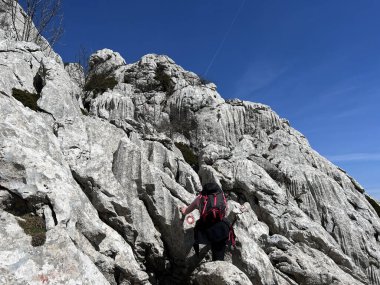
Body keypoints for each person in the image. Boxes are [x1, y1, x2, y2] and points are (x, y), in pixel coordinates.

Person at [180, 182, 230, 261]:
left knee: (200, 231)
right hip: (221, 228)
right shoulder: (221, 196)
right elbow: (225, 210)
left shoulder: (200, 198)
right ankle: (218, 263)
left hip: (206, 230)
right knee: (219, 253)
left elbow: (187, 210)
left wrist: (183, 210)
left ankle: (198, 254)